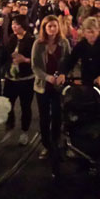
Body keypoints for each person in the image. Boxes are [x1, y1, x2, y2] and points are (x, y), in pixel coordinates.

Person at [58, 17, 100, 142]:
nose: (90, 34)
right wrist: (63, 73)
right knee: (90, 107)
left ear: (98, 30)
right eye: (87, 31)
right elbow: (71, 60)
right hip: (89, 81)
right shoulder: (82, 45)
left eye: (92, 31)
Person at [31, 15, 71, 162]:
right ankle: (46, 145)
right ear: (44, 28)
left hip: (58, 86)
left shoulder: (64, 43)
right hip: (42, 86)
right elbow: (35, 66)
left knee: (57, 115)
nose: (52, 29)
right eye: (49, 26)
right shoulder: (38, 44)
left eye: (55, 26)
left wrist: (63, 74)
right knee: (44, 116)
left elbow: (68, 61)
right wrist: (47, 77)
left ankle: (56, 141)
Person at [1, 15, 36, 146]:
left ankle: (24, 132)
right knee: (7, 104)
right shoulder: (11, 38)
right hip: (10, 78)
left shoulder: (31, 40)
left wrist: (25, 60)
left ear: (23, 25)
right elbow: (5, 55)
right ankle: (9, 127)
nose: (14, 27)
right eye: (13, 24)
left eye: (16, 24)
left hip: (26, 79)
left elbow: (37, 60)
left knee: (25, 106)